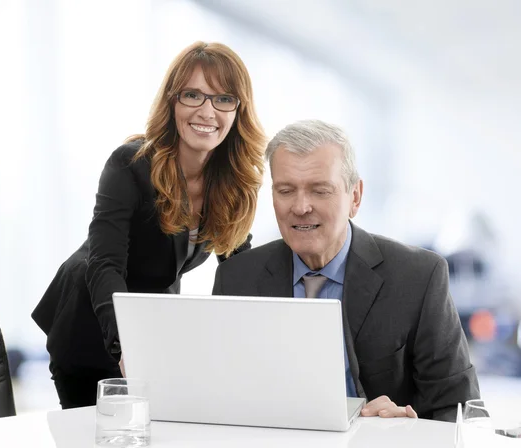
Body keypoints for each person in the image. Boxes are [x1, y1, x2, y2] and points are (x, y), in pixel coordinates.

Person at [32, 41, 266, 409]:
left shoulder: (231, 182)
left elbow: (241, 266)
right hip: (91, 320)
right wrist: (127, 347)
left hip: (153, 330)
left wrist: (274, 334)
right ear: (172, 102)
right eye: (193, 95)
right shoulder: (132, 163)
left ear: (238, 111)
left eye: (223, 99)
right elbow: (105, 264)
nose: (207, 111)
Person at [212, 119, 480, 422]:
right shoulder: (236, 278)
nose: (300, 207)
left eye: (319, 191)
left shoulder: (418, 276)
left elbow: (462, 410)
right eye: (285, 190)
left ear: (355, 197)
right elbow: (218, 399)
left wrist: (410, 427)